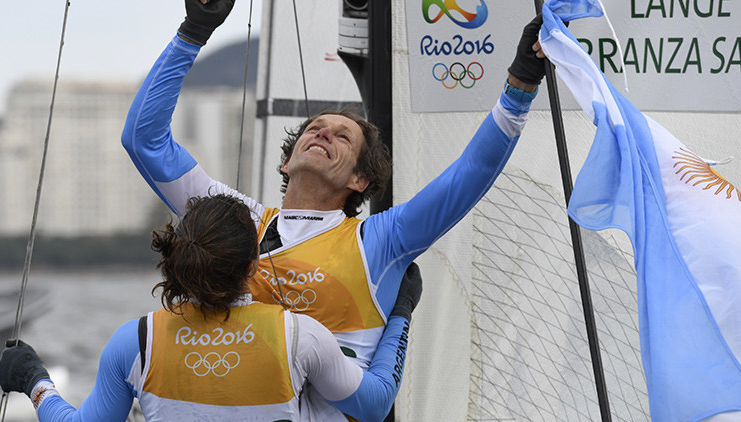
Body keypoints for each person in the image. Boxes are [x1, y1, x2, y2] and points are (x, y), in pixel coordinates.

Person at [121, 0, 546, 418]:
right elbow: (144, 141)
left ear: (360, 181)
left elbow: (470, 174)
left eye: (343, 138)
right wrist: (193, 32)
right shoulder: (238, 220)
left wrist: (521, 82)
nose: (324, 133)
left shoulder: (380, 240)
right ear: (287, 162)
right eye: (315, 128)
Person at [0, 194, 422, 422]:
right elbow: (376, 404)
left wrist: (36, 382)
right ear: (253, 267)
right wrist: (400, 313)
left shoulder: (135, 340)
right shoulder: (302, 336)